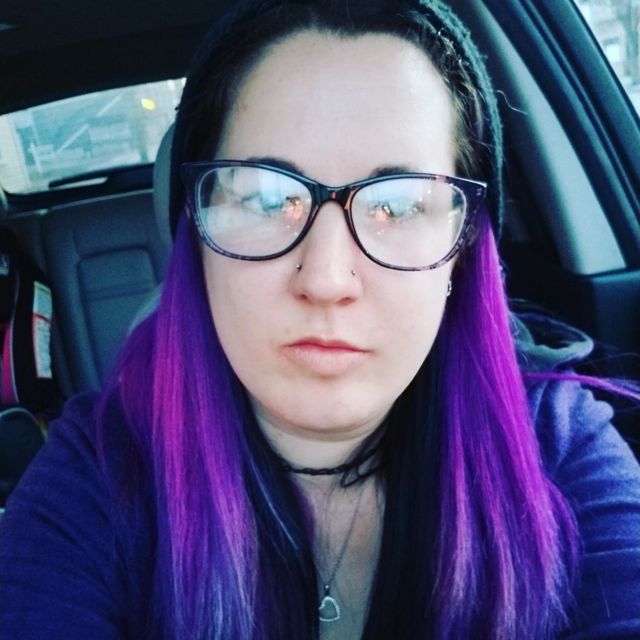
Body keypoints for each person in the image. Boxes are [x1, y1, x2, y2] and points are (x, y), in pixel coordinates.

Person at [1, 0, 639, 638]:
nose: (327, 280)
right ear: (195, 231)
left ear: (463, 248)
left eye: (398, 206)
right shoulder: (97, 473)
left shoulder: (556, 450)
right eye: (265, 198)